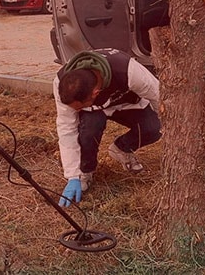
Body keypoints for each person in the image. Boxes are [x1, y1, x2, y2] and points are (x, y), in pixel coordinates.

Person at [53, 48, 162, 207]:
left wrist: (173, 130)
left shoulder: (128, 71)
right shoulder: (62, 84)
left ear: (95, 93)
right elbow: (66, 129)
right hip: (94, 112)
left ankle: (122, 148)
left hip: (125, 103)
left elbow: (158, 96)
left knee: (154, 127)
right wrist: (72, 175)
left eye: (78, 108)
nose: (75, 112)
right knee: (89, 130)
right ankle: (85, 172)